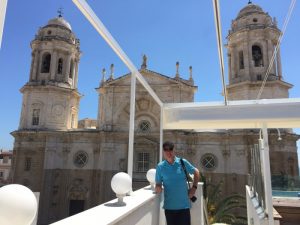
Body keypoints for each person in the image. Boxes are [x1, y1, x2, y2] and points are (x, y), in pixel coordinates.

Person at [155, 141, 200, 225]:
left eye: (170, 149)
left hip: (184, 207)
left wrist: (194, 188)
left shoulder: (182, 162)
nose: (168, 152)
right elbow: (158, 183)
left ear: (174, 150)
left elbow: (196, 172)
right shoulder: (160, 166)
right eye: (166, 150)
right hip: (169, 208)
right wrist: (158, 187)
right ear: (163, 151)